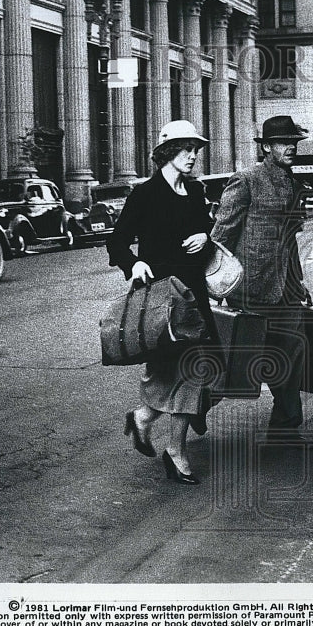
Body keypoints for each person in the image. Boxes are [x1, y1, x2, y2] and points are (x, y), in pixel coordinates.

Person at [106, 120, 217, 485]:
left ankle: (174, 447)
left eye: (196, 150)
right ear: (168, 152)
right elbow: (118, 241)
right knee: (164, 371)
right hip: (161, 297)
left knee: (197, 371)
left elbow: (208, 230)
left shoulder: (196, 191)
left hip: (194, 293)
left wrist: (204, 235)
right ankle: (144, 418)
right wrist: (134, 262)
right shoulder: (146, 194)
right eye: (187, 149)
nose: (193, 156)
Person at [211, 115, 312, 444]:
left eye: (294, 143)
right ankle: (193, 407)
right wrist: (213, 286)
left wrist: (299, 283)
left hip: (286, 290)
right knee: (237, 364)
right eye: (284, 143)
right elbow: (221, 237)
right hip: (250, 288)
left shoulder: (294, 184)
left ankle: (285, 425)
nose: (291, 148)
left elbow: (290, 242)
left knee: (292, 351)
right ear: (267, 147)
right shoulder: (246, 180)